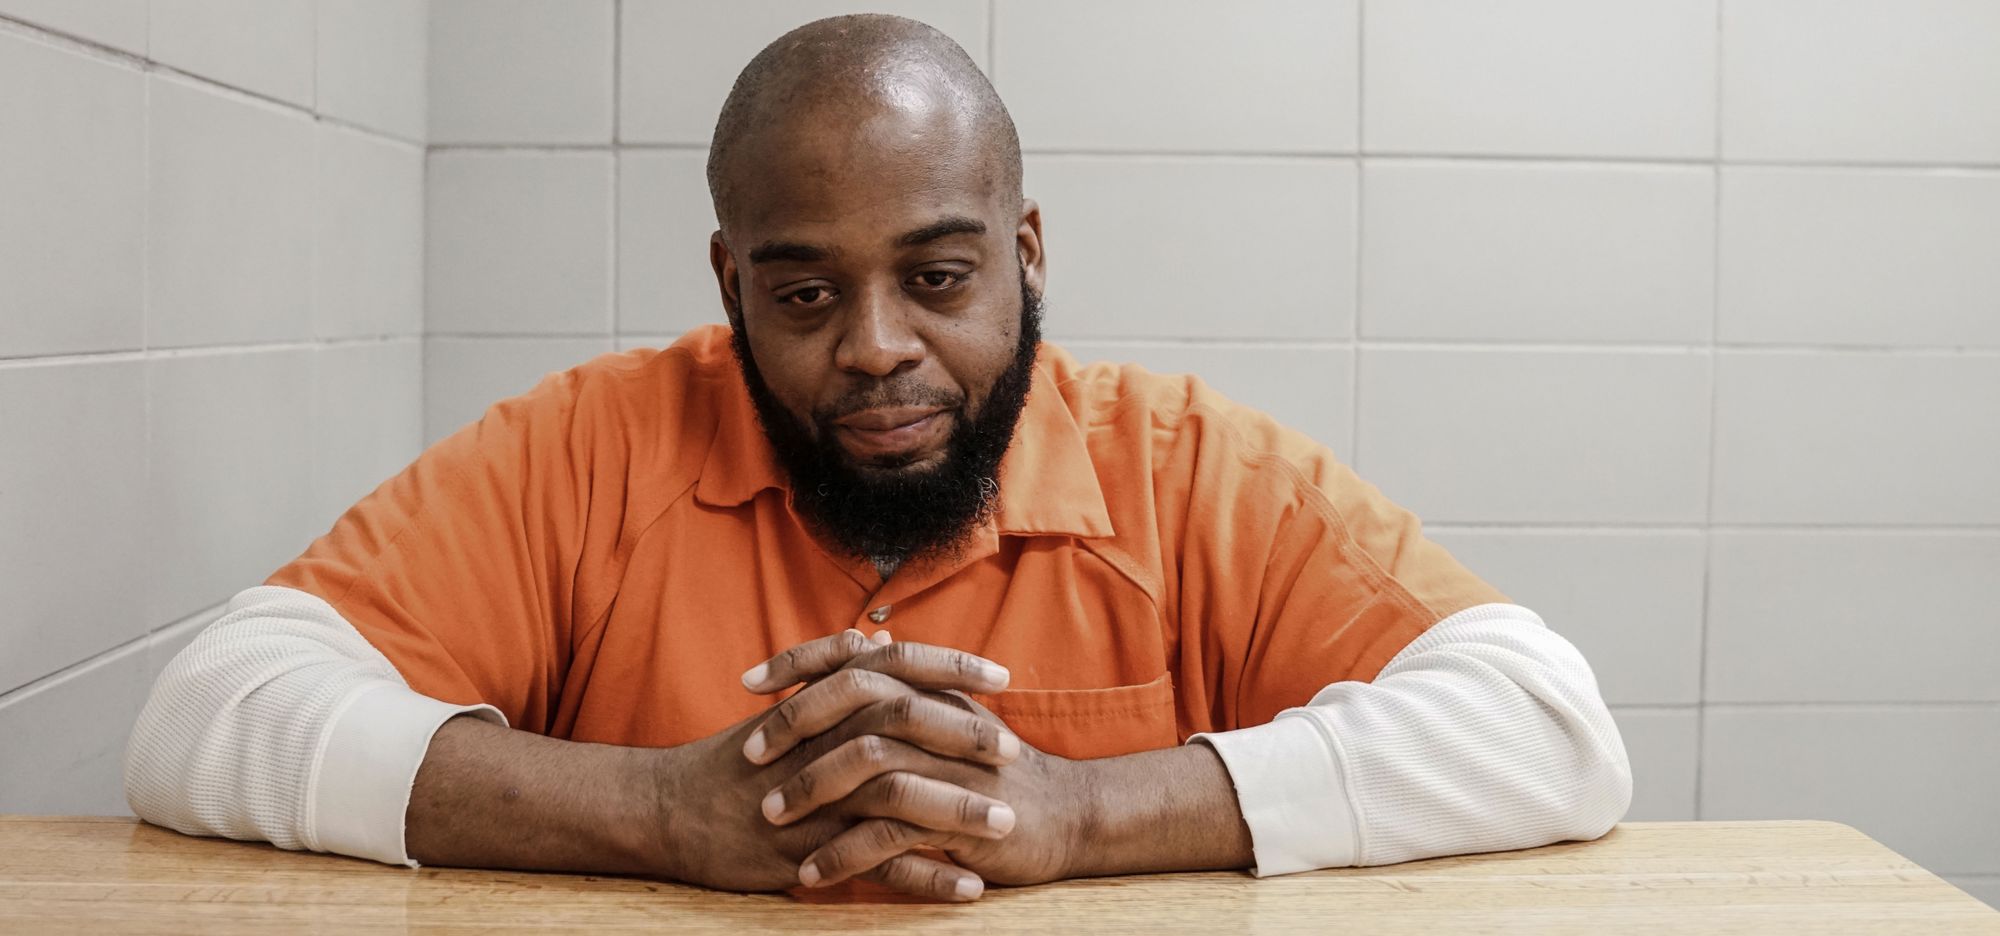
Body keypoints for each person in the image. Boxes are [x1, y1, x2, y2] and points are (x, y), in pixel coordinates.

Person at [124, 14, 1630, 903]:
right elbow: (210, 710)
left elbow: (1549, 727)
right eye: (803, 295)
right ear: (729, 288)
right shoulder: (593, 446)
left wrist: (1079, 810)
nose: (875, 346)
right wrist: (662, 813)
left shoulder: (1185, 468)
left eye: (938, 277)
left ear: (1026, 258)